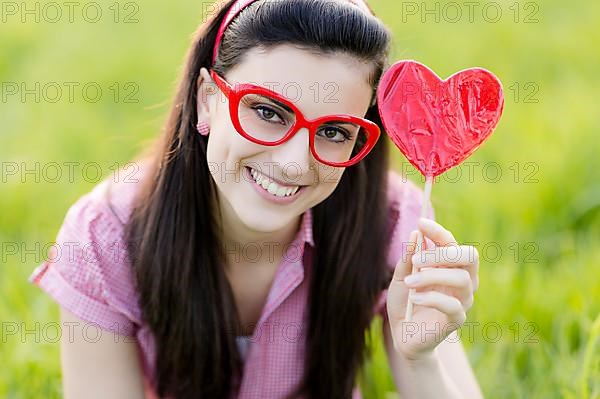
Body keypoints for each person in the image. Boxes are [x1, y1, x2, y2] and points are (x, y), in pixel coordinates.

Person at [29, 0, 483, 397]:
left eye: (333, 131)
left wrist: (422, 358)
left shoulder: (390, 221)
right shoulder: (104, 237)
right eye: (267, 111)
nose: (292, 163)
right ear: (208, 99)